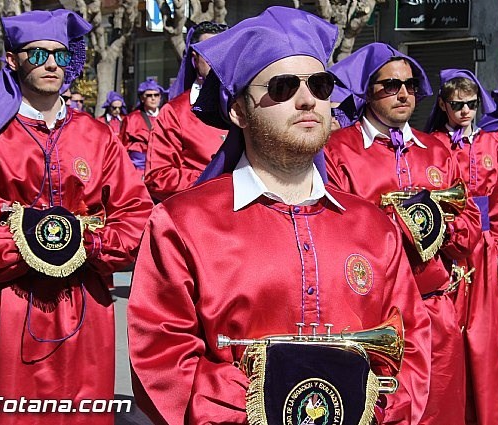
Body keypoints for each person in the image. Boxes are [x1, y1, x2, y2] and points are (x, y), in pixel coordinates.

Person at [128, 7, 431, 425]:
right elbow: (161, 359)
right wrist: (263, 408)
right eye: (283, 86)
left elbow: (411, 348)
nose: (307, 99)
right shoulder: (181, 224)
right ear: (238, 110)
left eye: (321, 85)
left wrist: (368, 411)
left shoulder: (374, 226)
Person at [0, 9, 153, 425]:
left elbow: (136, 216)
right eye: (37, 55)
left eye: (59, 55)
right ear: (12, 60)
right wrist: (32, 242)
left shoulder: (96, 135)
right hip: (16, 301)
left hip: (88, 301)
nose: (52, 64)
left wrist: (89, 243)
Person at [324, 43, 482, 425]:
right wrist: (396, 226)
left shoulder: (437, 150)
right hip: (373, 317)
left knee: (442, 413)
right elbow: (336, 234)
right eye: (391, 85)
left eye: (410, 85)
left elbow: (472, 226)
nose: (403, 94)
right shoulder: (338, 150)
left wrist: (435, 227)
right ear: (367, 89)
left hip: (435, 308)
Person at [425, 69, 498, 425]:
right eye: (458, 105)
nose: (465, 111)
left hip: (485, 247)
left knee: (484, 334)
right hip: (448, 247)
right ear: (444, 105)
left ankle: (486, 412)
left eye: (472, 104)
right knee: (450, 331)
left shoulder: (492, 144)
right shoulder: (432, 144)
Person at [145, 22, 228, 201]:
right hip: (199, 212)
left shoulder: (246, 106)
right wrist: (214, 178)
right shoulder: (174, 112)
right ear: (195, 58)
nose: (218, 59)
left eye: (224, 51)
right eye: (210, 52)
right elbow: (157, 177)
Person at [120, 78, 166, 179]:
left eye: (156, 95)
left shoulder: (168, 117)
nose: (153, 98)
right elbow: (123, 145)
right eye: (149, 95)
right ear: (142, 98)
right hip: (138, 168)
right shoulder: (131, 119)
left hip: (163, 166)